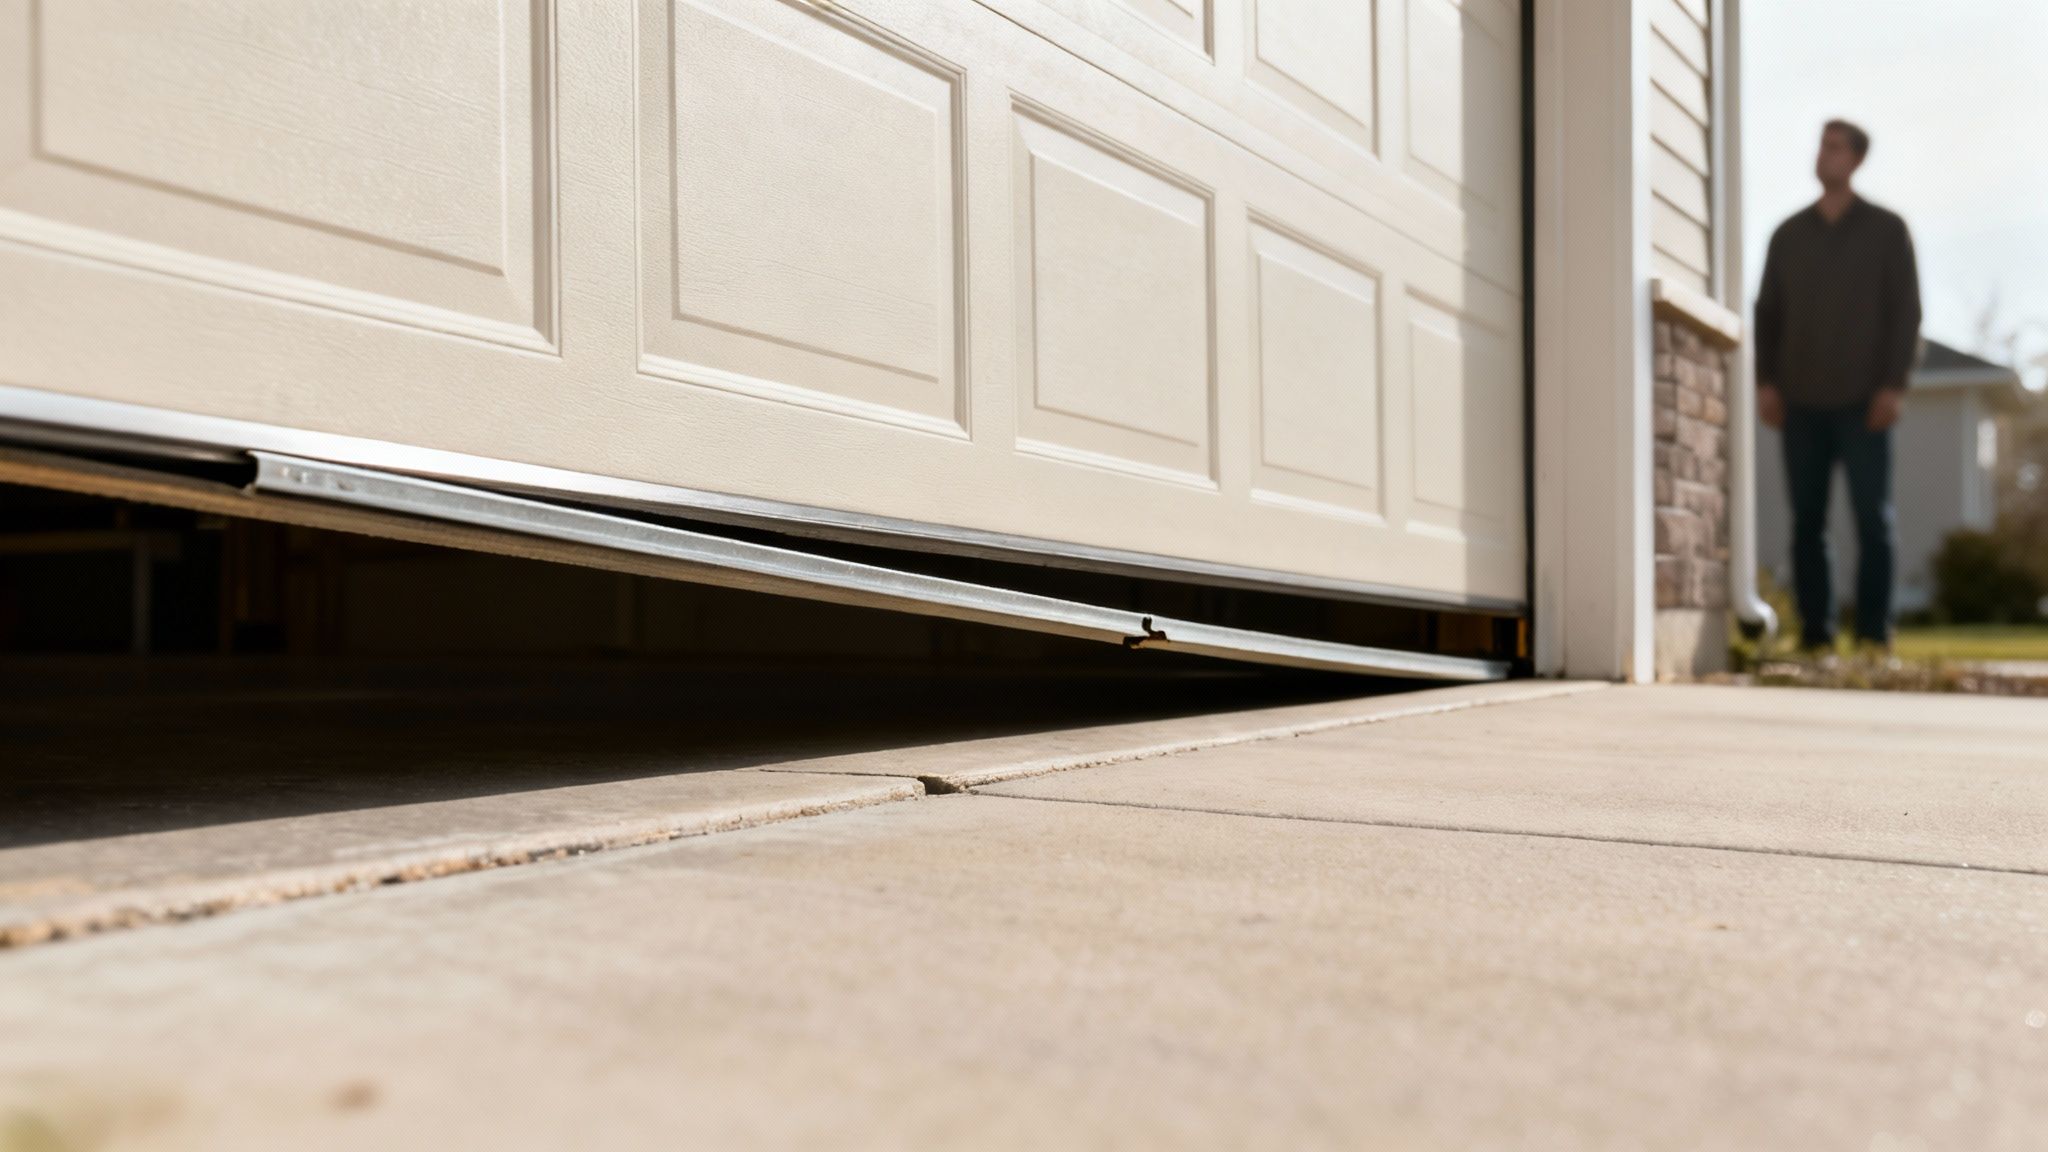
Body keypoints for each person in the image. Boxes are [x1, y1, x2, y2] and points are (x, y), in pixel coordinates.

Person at [1754, 118, 1922, 654]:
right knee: (1808, 524)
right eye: (1820, 145)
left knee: (1874, 521)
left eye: (1833, 147)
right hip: (1800, 401)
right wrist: (1766, 383)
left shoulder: (1887, 230)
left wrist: (1893, 386)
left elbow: (1906, 314)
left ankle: (1874, 637)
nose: (1822, 154)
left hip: (1865, 403)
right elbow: (1768, 315)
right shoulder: (1788, 234)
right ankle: (1816, 637)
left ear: (1855, 159)